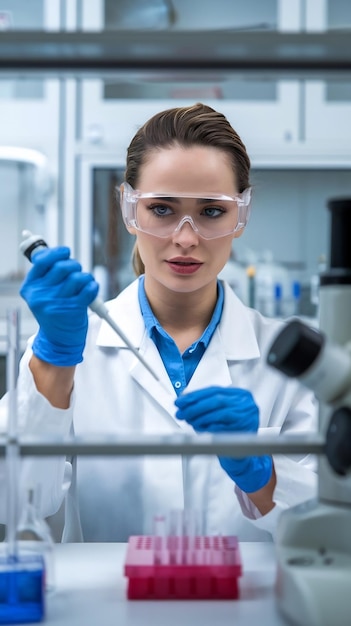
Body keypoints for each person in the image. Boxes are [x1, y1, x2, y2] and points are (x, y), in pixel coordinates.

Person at [0, 103, 317, 543]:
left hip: (248, 610)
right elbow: (16, 504)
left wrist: (262, 474)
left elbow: (330, 530)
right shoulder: (71, 348)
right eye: (163, 209)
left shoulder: (292, 361)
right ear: (130, 209)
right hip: (108, 609)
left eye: (211, 211)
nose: (185, 238)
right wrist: (53, 364)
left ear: (240, 215)